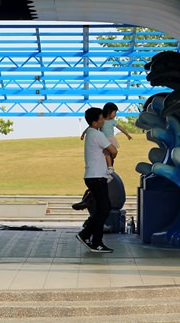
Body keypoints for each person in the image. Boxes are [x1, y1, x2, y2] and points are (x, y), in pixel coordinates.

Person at [76, 106, 117, 253]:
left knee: (102, 209)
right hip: (97, 177)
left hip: (92, 176)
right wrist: (109, 152)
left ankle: (90, 237)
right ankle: (92, 238)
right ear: (94, 122)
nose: (102, 121)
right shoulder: (98, 135)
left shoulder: (90, 133)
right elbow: (113, 151)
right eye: (100, 119)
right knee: (104, 209)